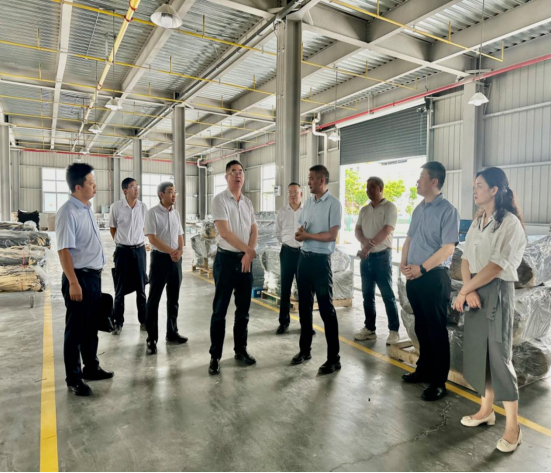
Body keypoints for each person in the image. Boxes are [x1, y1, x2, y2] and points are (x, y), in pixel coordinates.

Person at [453, 167, 526, 453]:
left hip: (496, 291)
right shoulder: (478, 221)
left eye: (480, 185)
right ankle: (486, 410)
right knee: (478, 352)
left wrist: (464, 291)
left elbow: (496, 266)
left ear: (495, 190)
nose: (474, 190)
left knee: (499, 356)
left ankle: (513, 427)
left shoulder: (509, 223)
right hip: (475, 289)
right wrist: (468, 288)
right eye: (474, 185)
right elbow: (465, 259)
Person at [401, 162, 460, 402]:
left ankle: (438, 382)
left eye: (421, 177)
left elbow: (448, 248)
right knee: (421, 327)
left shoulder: (448, 211)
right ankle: (423, 370)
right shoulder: (419, 209)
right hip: (414, 276)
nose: (417, 182)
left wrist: (422, 268)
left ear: (434, 181)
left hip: (434, 277)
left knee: (436, 330)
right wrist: (404, 264)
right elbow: (409, 239)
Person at [56, 163, 114, 397]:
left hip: (93, 277)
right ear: (78, 187)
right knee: (76, 330)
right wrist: (73, 282)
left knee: (91, 327)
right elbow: (64, 251)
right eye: (91, 183)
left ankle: (91, 367)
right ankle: (73, 378)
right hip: (79, 277)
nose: (95, 186)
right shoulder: (68, 212)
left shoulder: (87, 208)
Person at [209, 161, 259, 376]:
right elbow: (225, 232)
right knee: (220, 310)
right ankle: (215, 356)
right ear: (226, 177)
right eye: (233, 172)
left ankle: (241, 350)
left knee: (243, 310)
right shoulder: (219, 200)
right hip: (226, 261)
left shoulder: (247, 202)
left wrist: (248, 253)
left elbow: (254, 230)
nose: (238, 175)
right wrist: (248, 250)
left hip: (245, 261)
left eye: (240, 172)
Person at [293, 165, 343, 375]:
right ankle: (304, 350)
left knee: (326, 310)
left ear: (322, 180)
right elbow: (302, 228)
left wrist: (307, 236)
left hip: (321, 264)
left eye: (311, 178)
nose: (309, 182)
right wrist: (300, 234)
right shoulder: (308, 203)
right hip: (304, 261)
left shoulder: (334, 204)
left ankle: (333, 359)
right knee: (304, 307)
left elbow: (332, 236)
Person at [354, 177, 400, 345]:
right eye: (367, 187)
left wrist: (368, 246)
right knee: (367, 295)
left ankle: (394, 330)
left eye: (372, 187)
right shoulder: (364, 210)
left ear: (380, 188)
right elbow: (358, 229)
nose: (368, 190)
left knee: (387, 295)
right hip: (366, 259)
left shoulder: (389, 208)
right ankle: (369, 328)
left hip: (382, 258)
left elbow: (386, 230)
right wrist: (364, 242)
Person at [144, 182, 187, 355]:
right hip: (160, 260)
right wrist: (171, 251)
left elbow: (180, 235)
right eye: (170, 192)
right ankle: (151, 339)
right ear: (161, 195)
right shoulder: (152, 213)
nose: (174, 195)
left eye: (175, 192)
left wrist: (180, 251)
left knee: (173, 298)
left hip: (176, 260)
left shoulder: (175, 213)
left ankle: (172, 332)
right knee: (154, 300)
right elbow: (152, 239)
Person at [109, 178, 148, 335]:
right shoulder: (116, 207)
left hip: (139, 251)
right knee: (120, 288)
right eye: (132, 187)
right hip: (122, 252)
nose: (136, 189)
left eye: (137, 186)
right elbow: (113, 228)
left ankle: (144, 320)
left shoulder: (143, 207)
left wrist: (137, 241)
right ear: (125, 190)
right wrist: (121, 243)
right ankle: (118, 322)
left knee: (141, 288)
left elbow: (144, 227)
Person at [275, 182, 303, 335]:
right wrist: (288, 242)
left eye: (295, 192)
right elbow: (278, 233)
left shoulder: (307, 211)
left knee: (304, 289)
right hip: (286, 252)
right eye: (290, 192)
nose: (292, 195)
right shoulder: (282, 212)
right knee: (285, 288)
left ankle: (306, 323)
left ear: (301, 194)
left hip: (303, 254)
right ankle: (283, 322)